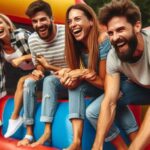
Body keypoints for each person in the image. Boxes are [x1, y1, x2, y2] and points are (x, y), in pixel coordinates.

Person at [56, 3, 137, 150]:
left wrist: (83, 73)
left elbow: (107, 84)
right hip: (103, 85)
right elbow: (84, 79)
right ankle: (76, 142)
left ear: (91, 21)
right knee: (76, 87)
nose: (73, 24)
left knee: (93, 112)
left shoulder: (103, 40)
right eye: (69, 21)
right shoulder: (76, 46)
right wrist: (68, 78)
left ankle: (123, 148)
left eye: (77, 19)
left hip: (119, 84)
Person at [91, 0, 150, 150]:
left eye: (120, 30)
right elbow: (109, 102)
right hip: (143, 89)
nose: (115, 38)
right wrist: (97, 145)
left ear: (137, 26)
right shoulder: (113, 56)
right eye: (111, 33)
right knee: (96, 109)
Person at [17, 0, 67, 147]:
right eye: (35, 21)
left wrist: (49, 69)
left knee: (49, 80)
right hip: (52, 79)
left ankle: (47, 132)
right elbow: (39, 65)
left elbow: (78, 66)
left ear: (51, 18)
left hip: (70, 78)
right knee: (29, 81)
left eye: (43, 19)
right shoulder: (33, 40)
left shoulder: (67, 33)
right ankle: (29, 133)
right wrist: (38, 72)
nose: (39, 24)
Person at [0, 13, 34, 138]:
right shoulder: (1, 46)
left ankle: (15, 117)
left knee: (21, 81)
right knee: (21, 81)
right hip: (26, 73)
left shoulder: (21, 35)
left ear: (8, 26)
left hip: (43, 68)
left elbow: (42, 51)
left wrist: (23, 58)